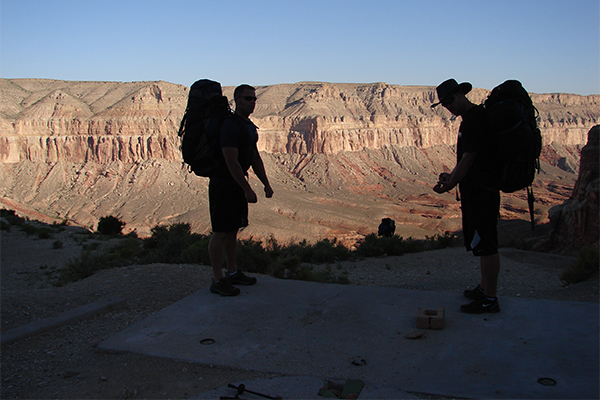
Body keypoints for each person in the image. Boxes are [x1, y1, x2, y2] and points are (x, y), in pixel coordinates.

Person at [431, 78, 501, 314]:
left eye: (451, 100)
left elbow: (469, 158)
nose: (448, 106)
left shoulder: (474, 120)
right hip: (475, 190)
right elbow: (466, 161)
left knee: (488, 245)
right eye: (444, 104)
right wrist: (451, 176)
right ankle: (483, 289)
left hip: (483, 191)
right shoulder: (470, 119)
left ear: (461, 95)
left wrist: (450, 184)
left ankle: (490, 299)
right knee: (481, 243)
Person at [208, 84, 274, 296]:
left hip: (236, 183)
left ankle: (233, 272)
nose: (252, 102)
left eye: (254, 99)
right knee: (220, 231)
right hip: (224, 183)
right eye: (247, 99)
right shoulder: (230, 125)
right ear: (236, 100)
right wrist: (246, 189)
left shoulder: (247, 126)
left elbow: (254, 157)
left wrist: (265, 183)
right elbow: (231, 160)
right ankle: (217, 279)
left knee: (233, 229)